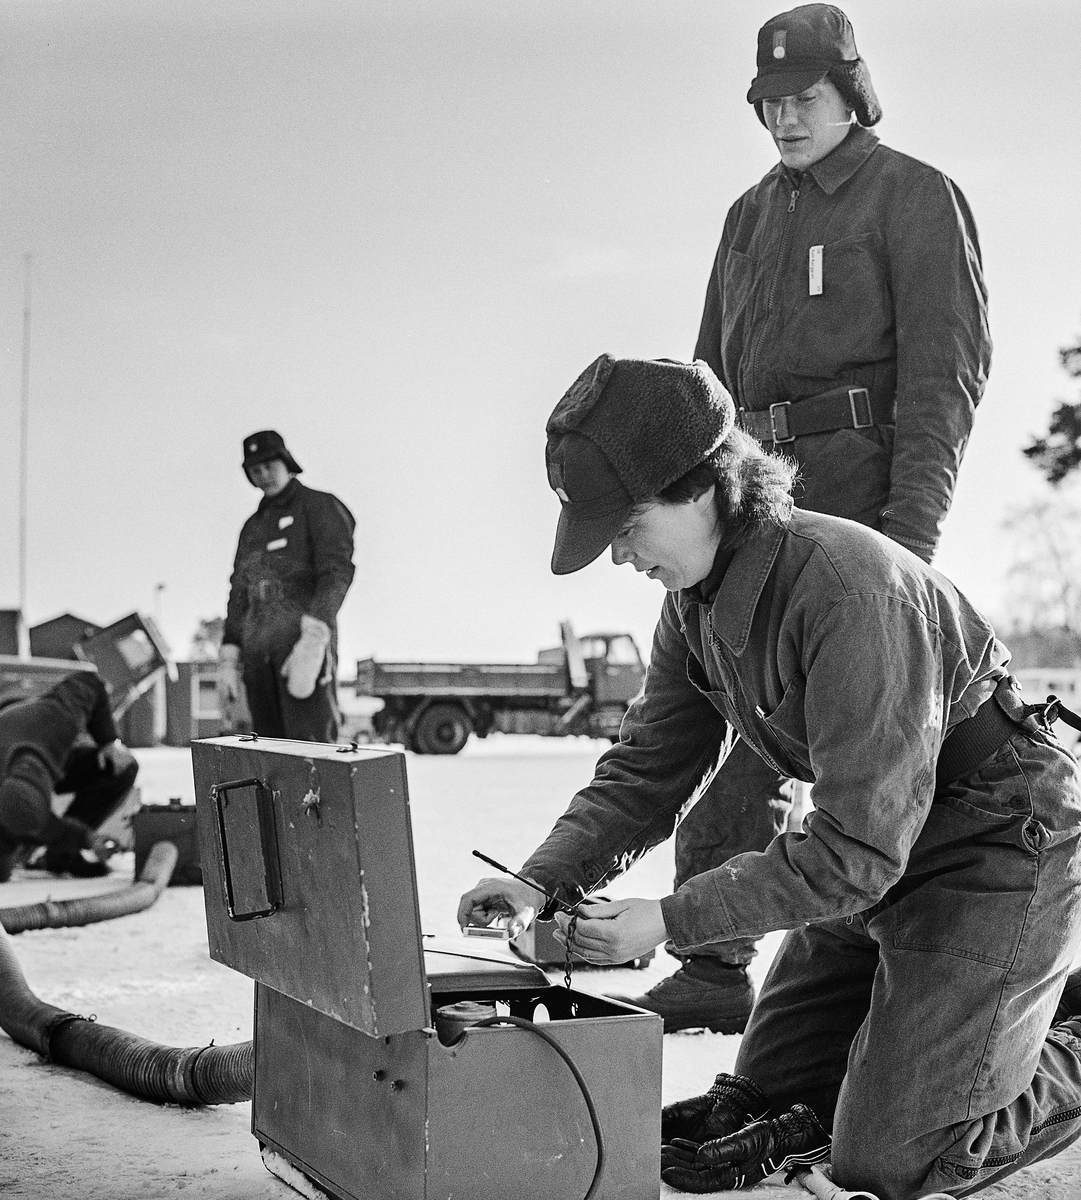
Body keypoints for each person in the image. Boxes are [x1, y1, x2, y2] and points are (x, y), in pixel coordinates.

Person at [458, 355, 1081, 1199]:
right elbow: (649, 769)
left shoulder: (849, 596)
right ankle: (969, 1021)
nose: (616, 557)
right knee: (764, 1095)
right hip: (879, 852)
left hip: (994, 844)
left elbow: (857, 851)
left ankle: (1037, 1024)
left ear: (702, 486)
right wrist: (543, 879)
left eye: (627, 524)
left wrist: (669, 920)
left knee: (900, 1156)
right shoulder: (693, 601)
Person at [637, 1, 995, 1034]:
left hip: (854, 520)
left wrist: (904, 553)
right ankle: (716, 961)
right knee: (691, 719)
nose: (785, 120)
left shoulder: (915, 198)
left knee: (800, 749)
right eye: (769, 104)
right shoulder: (747, 216)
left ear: (852, 91)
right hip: (744, 505)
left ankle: (742, 961)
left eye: (804, 99)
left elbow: (943, 385)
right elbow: (704, 384)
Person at [219, 430, 356, 743]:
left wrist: (315, 634)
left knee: (310, 743)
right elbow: (239, 590)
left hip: (300, 638)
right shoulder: (252, 527)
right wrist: (230, 652)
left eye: (269, 466)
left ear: (286, 462)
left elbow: (336, 571)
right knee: (267, 746)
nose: (264, 475)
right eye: (256, 470)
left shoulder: (320, 506)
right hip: (257, 643)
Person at [0, 671, 138, 881]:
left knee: (121, 766)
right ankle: (21, 841)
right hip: (15, 771)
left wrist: (109, 741)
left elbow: (90, 681)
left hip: (55, 749)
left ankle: (62, 855)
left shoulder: (57, 715)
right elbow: (46, 825)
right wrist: (88, 839)